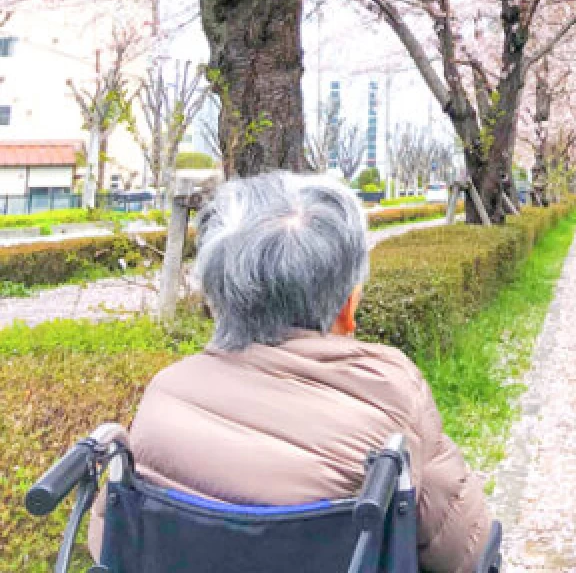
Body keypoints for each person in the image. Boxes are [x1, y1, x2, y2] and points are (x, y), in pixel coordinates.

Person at [88, 171, 490, 573]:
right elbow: (465, 550)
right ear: (348, 308)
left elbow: (106, 541)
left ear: (216, 302)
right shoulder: (391, 391)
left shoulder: (165, 393)